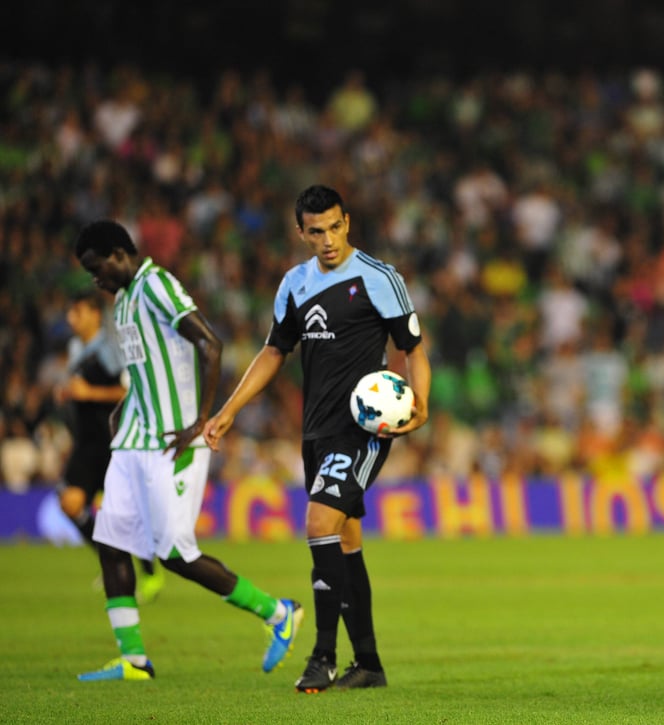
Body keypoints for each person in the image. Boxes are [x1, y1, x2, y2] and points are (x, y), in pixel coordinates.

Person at [204, 184, 431, 693]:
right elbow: (272, 352)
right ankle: (368, 664)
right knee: (345, 539)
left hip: (363, 427)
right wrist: (228, 410)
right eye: (316, 231)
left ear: (347, 221)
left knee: (318, 522)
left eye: (334, 227)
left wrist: (421, 403)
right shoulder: (294, 285)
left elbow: (412, 347)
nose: (328, 239)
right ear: (301, 233)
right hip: (317, 429)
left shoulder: (379, 277)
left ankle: (322, 655)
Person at [73, 220, 302, 682]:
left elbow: (209, 344)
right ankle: (134, 660)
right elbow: (143, 372)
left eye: (97, 269)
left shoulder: (157, 285)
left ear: (119, 253)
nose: (95, 280)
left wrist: (201, 420)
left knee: (176, 555)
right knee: (111, 544)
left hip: (172, 442)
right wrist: (123, 408)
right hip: (132, 441)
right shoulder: (121, 302)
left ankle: (278, 612)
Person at [55, 290, 165, 604]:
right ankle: (113, 561)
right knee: (71, 503)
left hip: (113, 439)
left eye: (76, 312)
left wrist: (89, 393)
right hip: (86, 441)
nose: (71, 319)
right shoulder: (76, 347)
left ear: (93, 313)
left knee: (125, 513)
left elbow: (127, 390)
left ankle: (149, 572)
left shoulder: (111, 348)